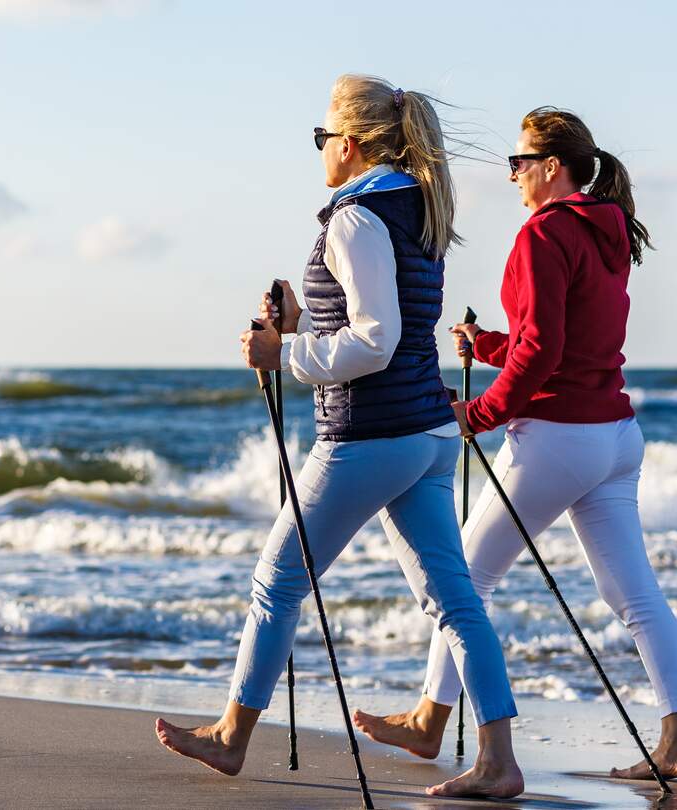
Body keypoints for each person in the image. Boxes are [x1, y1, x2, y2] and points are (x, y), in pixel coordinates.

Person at [153, 74, 524, 799]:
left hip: (369, 436)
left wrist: (283, 356)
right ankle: (499, 759)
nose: (319, 150)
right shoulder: (418, 206)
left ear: (349, 145)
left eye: (322, 137)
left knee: (276, 582)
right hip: (425, 432)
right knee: (454, 600)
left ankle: (231, 738)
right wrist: (300, 323)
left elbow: (377, 340)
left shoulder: (355, 216)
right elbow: (386, 324)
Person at [352, 107, 677, 781]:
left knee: (463, 579)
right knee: (635, 599)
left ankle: (434, 722)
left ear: (551, 168)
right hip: (614, 437)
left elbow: (544, 350)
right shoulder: (608, 230)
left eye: (519, 163)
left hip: (555, 438)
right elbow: (561, 342)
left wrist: (479, 413)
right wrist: (486, 345)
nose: (512, 175)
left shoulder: (543, 234)